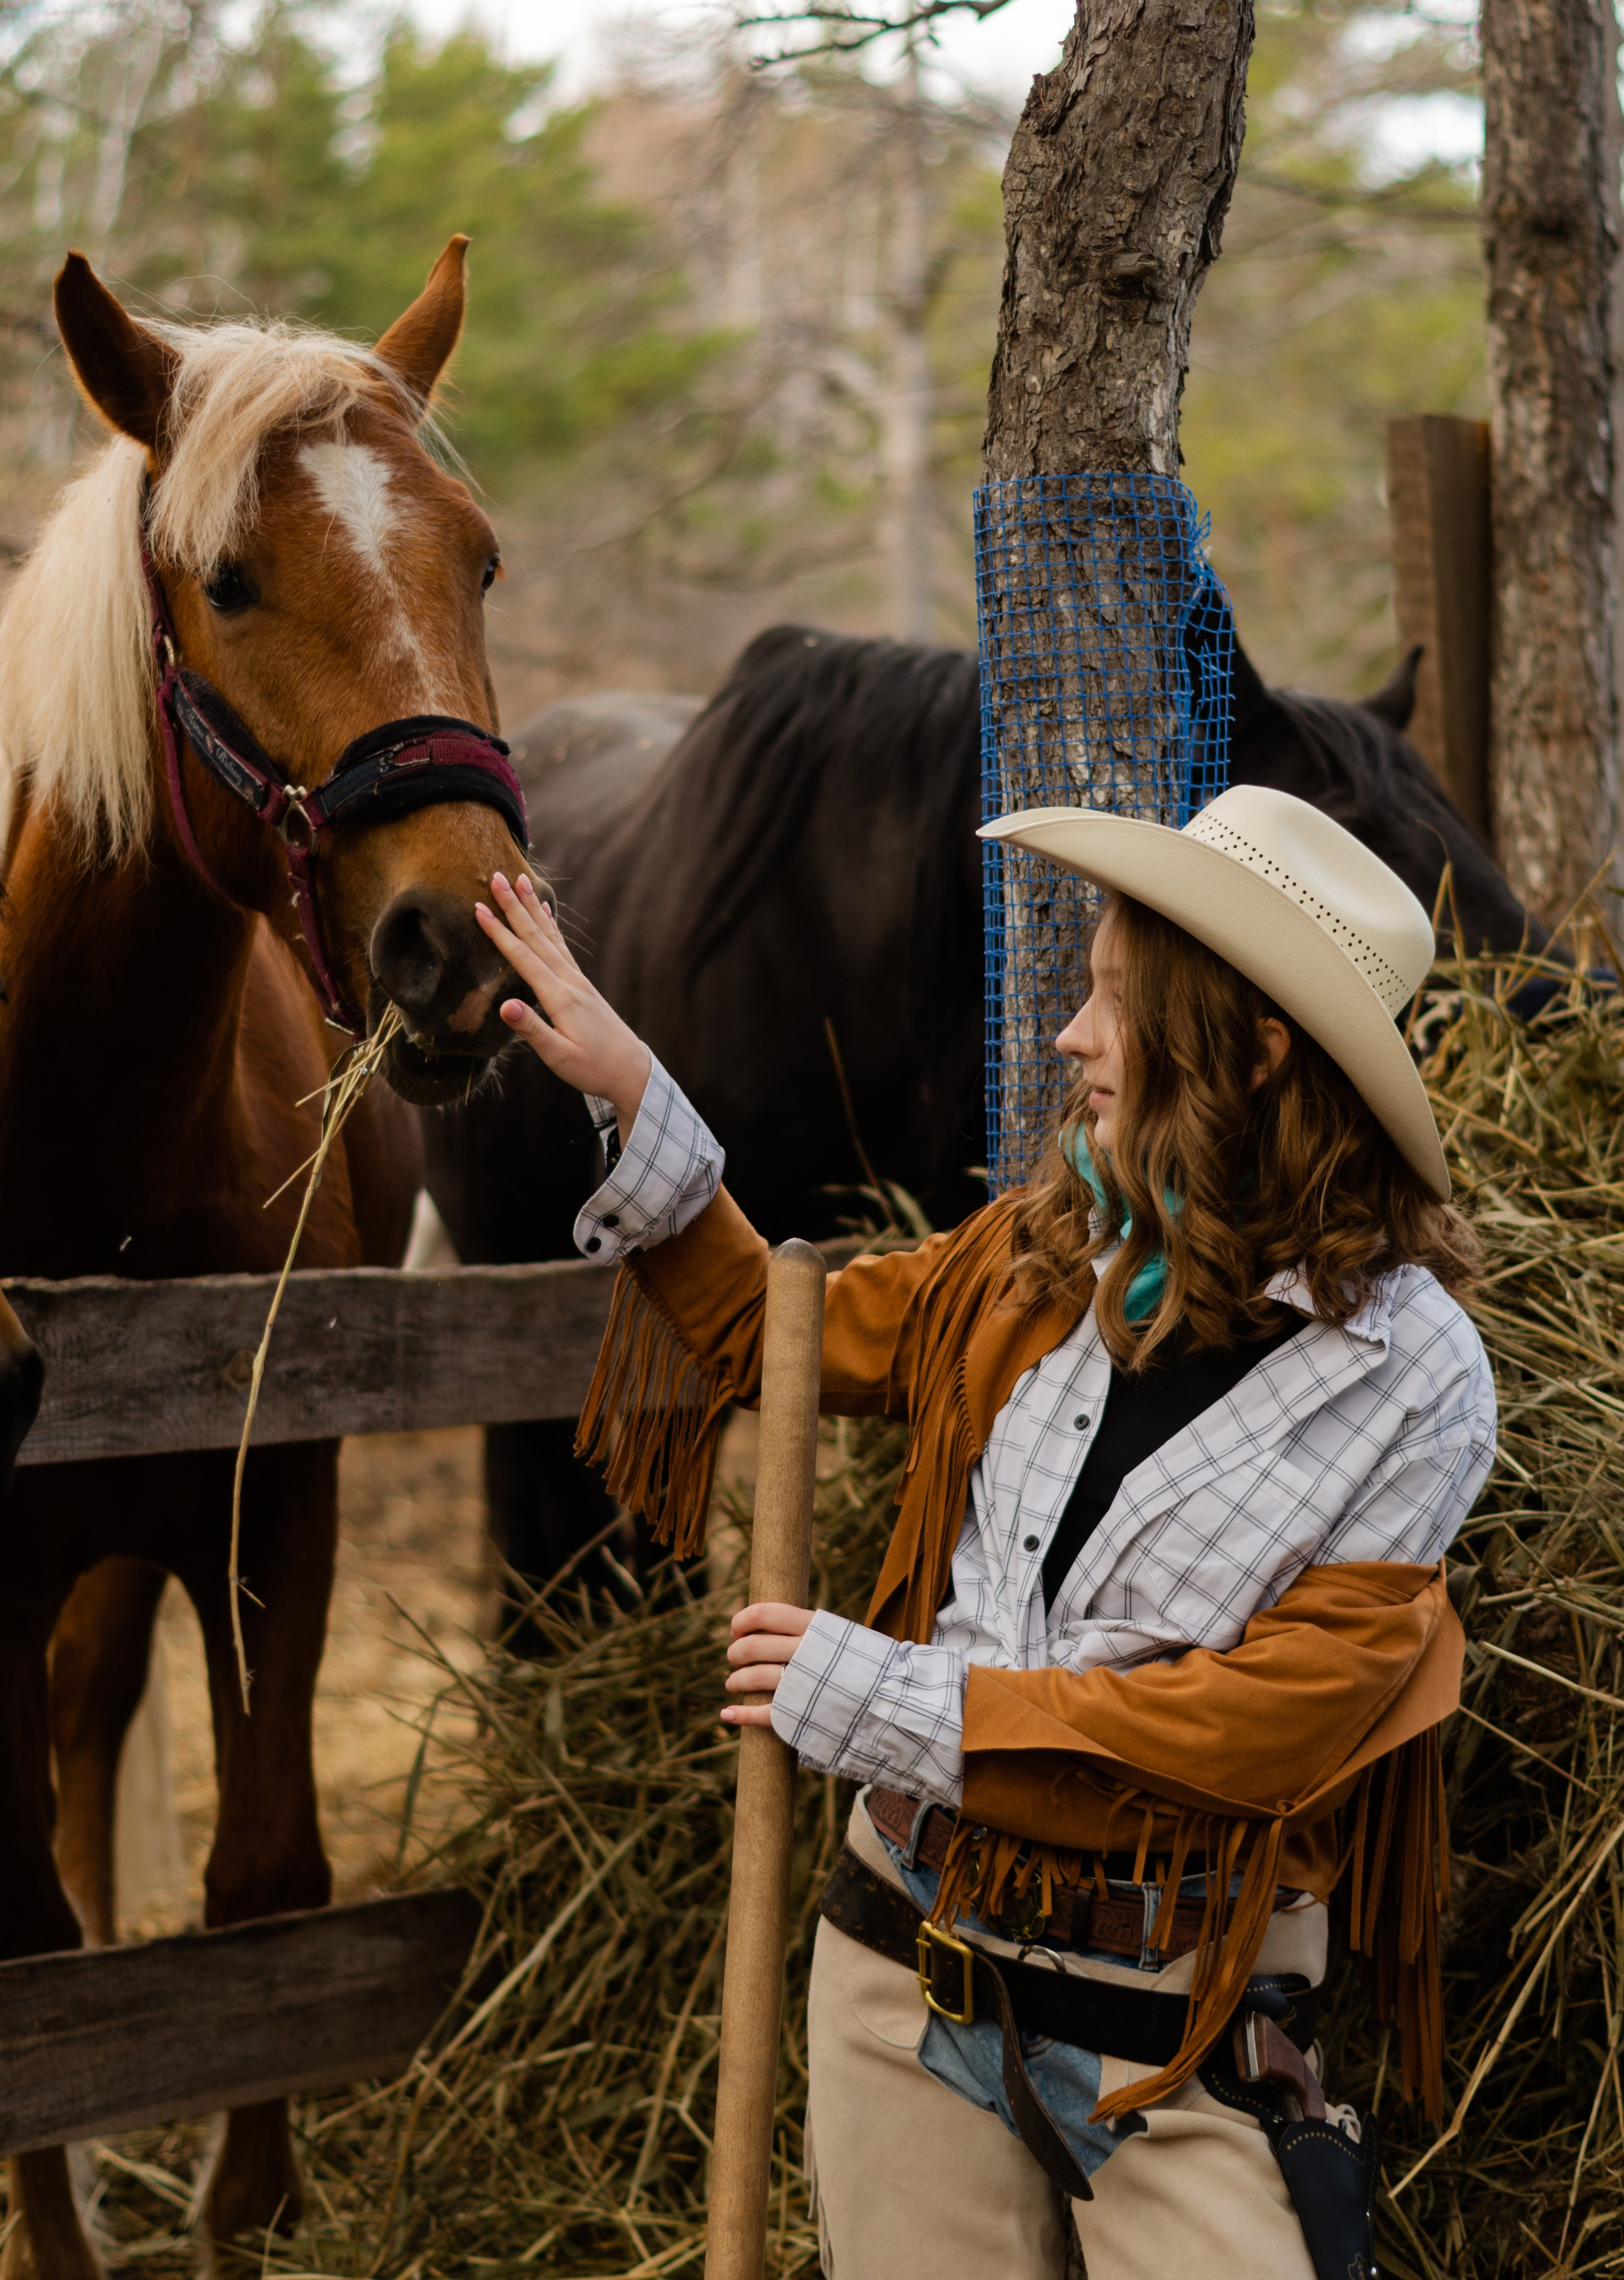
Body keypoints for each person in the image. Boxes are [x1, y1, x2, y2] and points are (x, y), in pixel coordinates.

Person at [475, 783, 1495, 2280]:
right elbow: (778, 1338)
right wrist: (635, 1091)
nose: (1070, 1038)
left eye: (1111, 1002)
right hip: (910, 1976)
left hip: (1174, 2034)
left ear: (1254, 1049)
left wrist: (882, 1702)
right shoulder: (1042, 1257)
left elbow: (1252, 1729)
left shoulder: (1412, 1380)